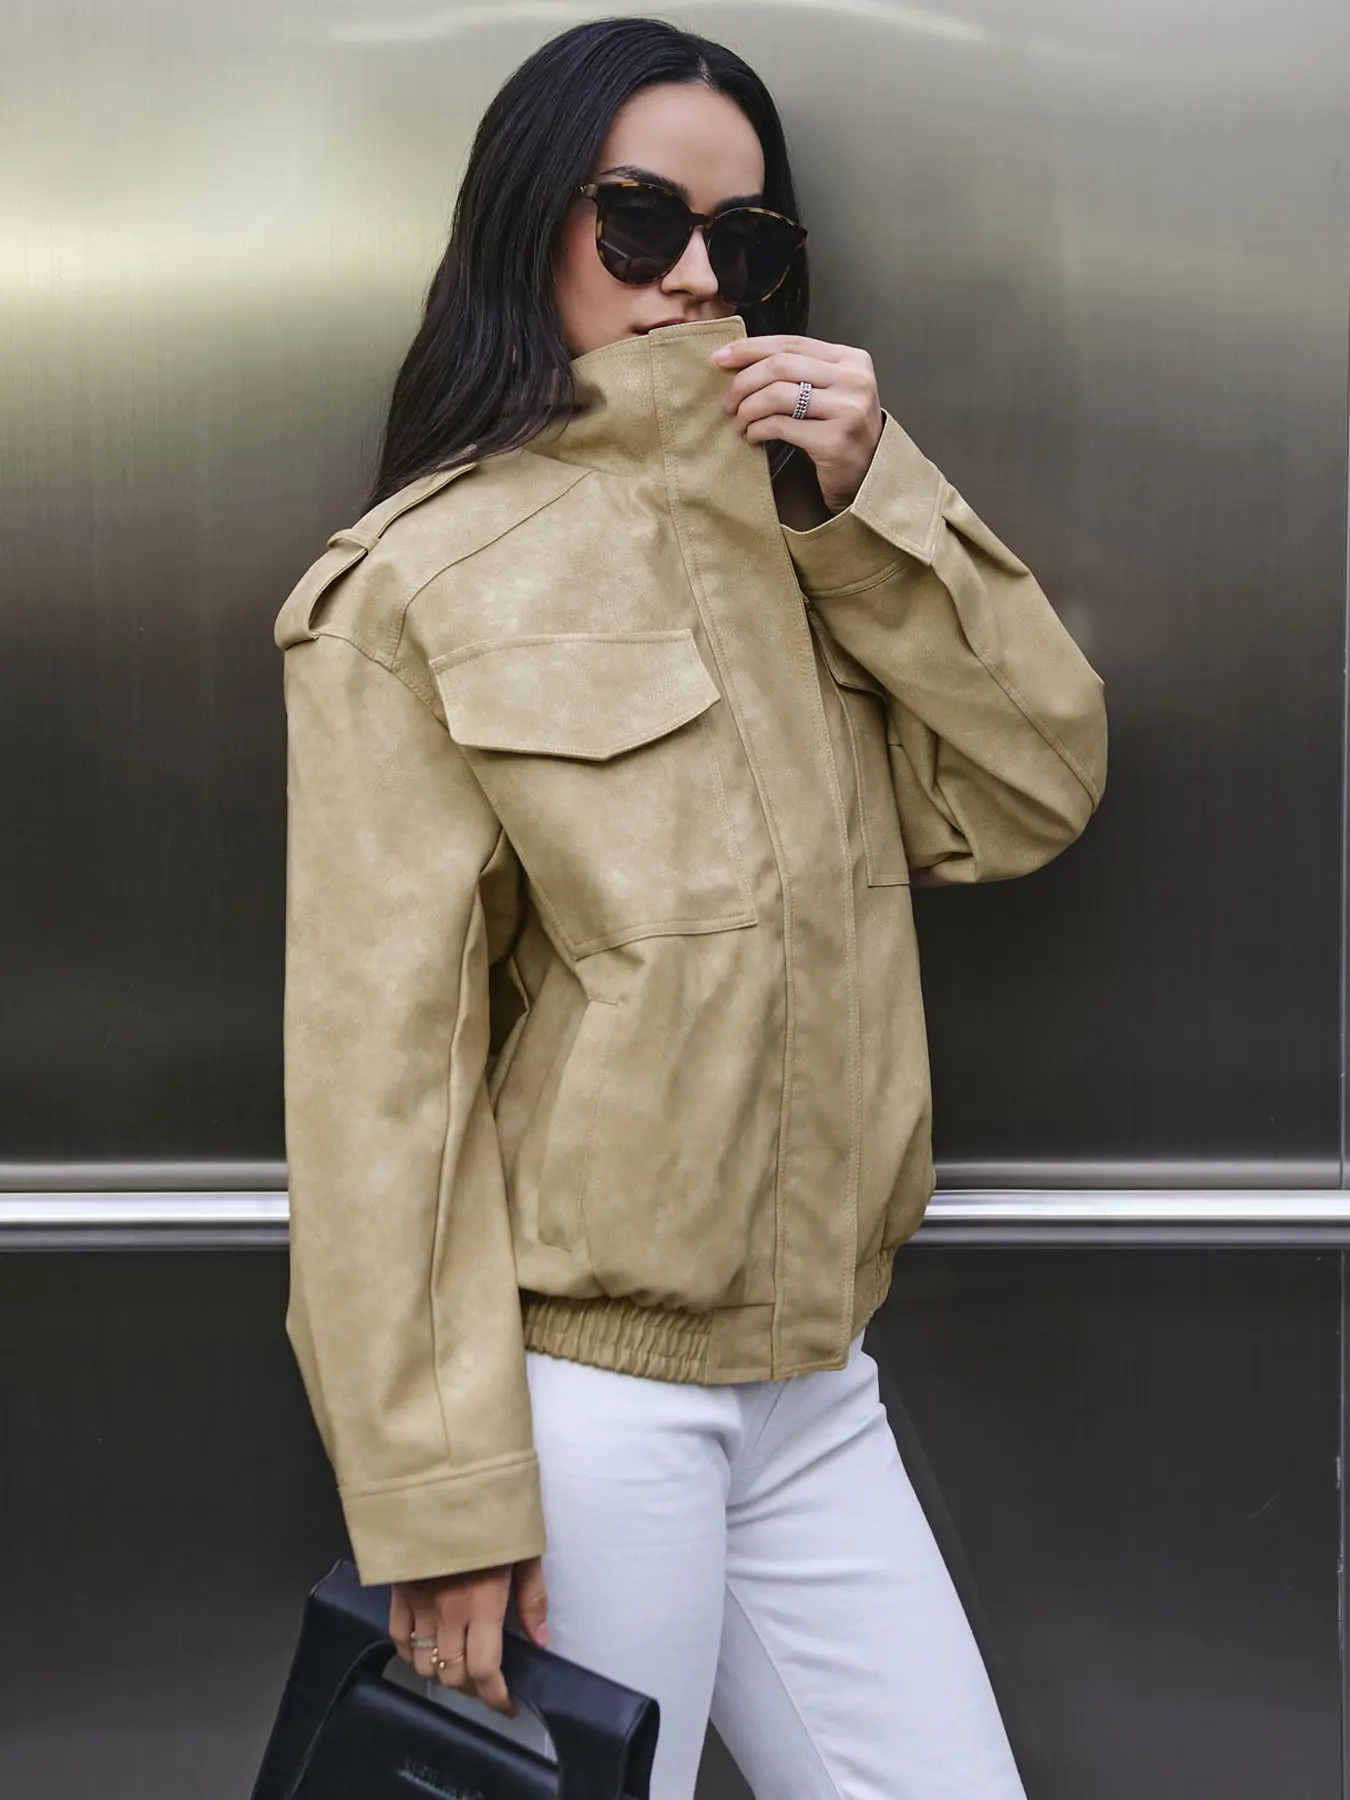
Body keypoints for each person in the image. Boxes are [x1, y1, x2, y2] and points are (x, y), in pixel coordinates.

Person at [274, 17, 1106, 1799]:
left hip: (817, 1376)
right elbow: (378, 1087)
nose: (698, 279)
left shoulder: (819, 537)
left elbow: (1033, 786)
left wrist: (876, 500)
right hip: (589, 1402)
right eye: (642, 219)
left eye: (748, 238)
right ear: (533, 223)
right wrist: (437, 1493)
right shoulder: (411, 585)